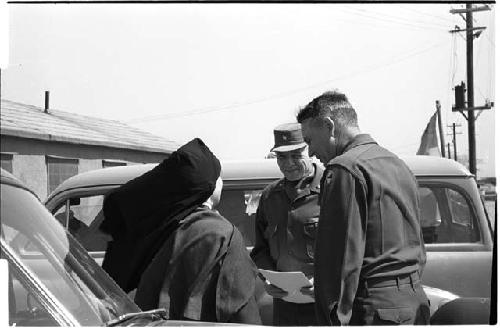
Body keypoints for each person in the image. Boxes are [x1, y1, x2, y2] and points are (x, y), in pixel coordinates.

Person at [296, 91, 430, 325]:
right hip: (414, 303)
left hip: (372, 309)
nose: (311, 153)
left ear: (329, 126)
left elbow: (339, 257)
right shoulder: (398, 164)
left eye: (309, 140)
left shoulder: (344, 169)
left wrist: (333, 314)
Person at [99, 138, 261, 324]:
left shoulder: (157, 228)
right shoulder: (220, 234)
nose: (221, 181)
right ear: (209, 185)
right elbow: (242, 308)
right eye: (218, 176)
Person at [250, 122, 323, 326]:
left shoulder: (332, 189)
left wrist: (326, 283)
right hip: (285, 307)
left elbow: (347, 249)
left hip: (323, 304)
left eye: (296, 155)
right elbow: (260, 249)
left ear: (310, 150)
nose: (288, 163)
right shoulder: (269, 197)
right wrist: (268, 281)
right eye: (282, 157)